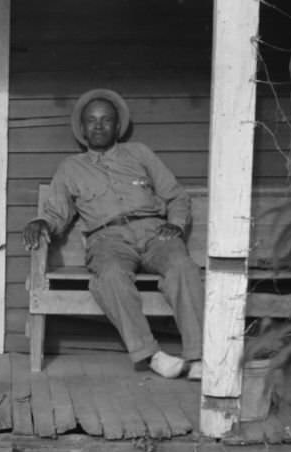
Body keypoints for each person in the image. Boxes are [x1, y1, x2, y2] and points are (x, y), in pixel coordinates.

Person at [23, 89, 204, 380]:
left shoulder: (140, 153)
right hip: (107, 240)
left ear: (117, 126)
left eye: (106, 120)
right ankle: (151, 355)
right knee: (109, 277)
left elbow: (177, 196)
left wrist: (177, 224)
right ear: (82, 128)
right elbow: (57, 212)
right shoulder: (71, 167)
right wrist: (41, 222)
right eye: (91, 121)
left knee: (183, 267)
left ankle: (198, 358)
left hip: (154, 232)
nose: (98, 126)